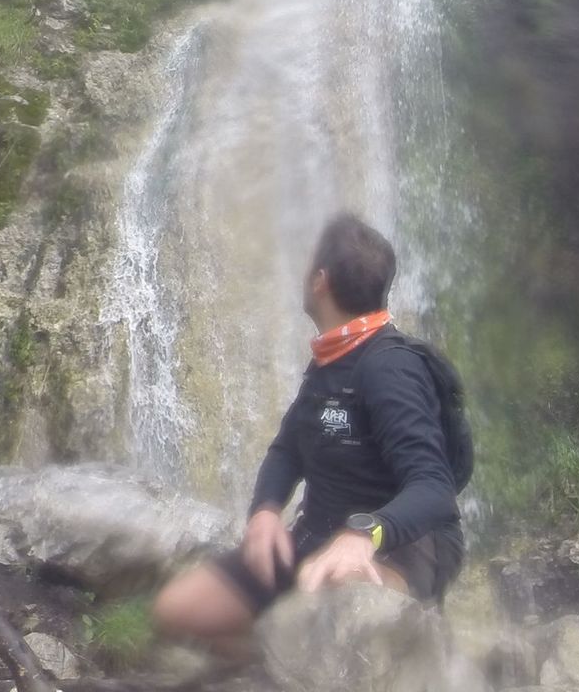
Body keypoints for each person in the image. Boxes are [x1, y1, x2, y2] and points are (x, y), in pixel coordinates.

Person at [152, 213, 464, 649]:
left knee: (327, 623)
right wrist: (265, 512)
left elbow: (435, 488)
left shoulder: (391, 368)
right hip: (315, 537)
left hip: (401, 548)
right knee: (178, 611)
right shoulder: (330, 360)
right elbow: (286, 451)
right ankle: (270, 661)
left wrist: (364, 534)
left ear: (320, 280)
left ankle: (403, 646)